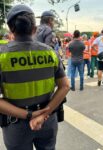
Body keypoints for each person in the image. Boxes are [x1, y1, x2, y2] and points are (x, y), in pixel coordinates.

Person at [0, 4, 69, 150]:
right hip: (47, 120)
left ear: (11, 29)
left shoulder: (2, 56)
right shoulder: (50, 52)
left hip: (16, 125)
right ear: (34, 29)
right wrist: (45, 114)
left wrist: (28, 115)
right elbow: (65, 86)